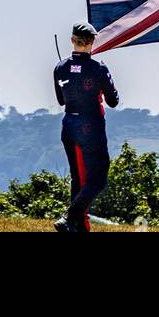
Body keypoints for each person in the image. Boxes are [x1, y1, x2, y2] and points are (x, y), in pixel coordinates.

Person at [53, 22, 118, 233]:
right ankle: (70, 218)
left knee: (78, 178)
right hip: (91, 126)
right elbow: (113, 100)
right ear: (91, 42)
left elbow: (61, 101)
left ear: (72, 40)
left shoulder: (59, 68)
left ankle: (78, 226)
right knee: (97, 179)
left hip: (69, 124)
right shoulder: (98, 68)